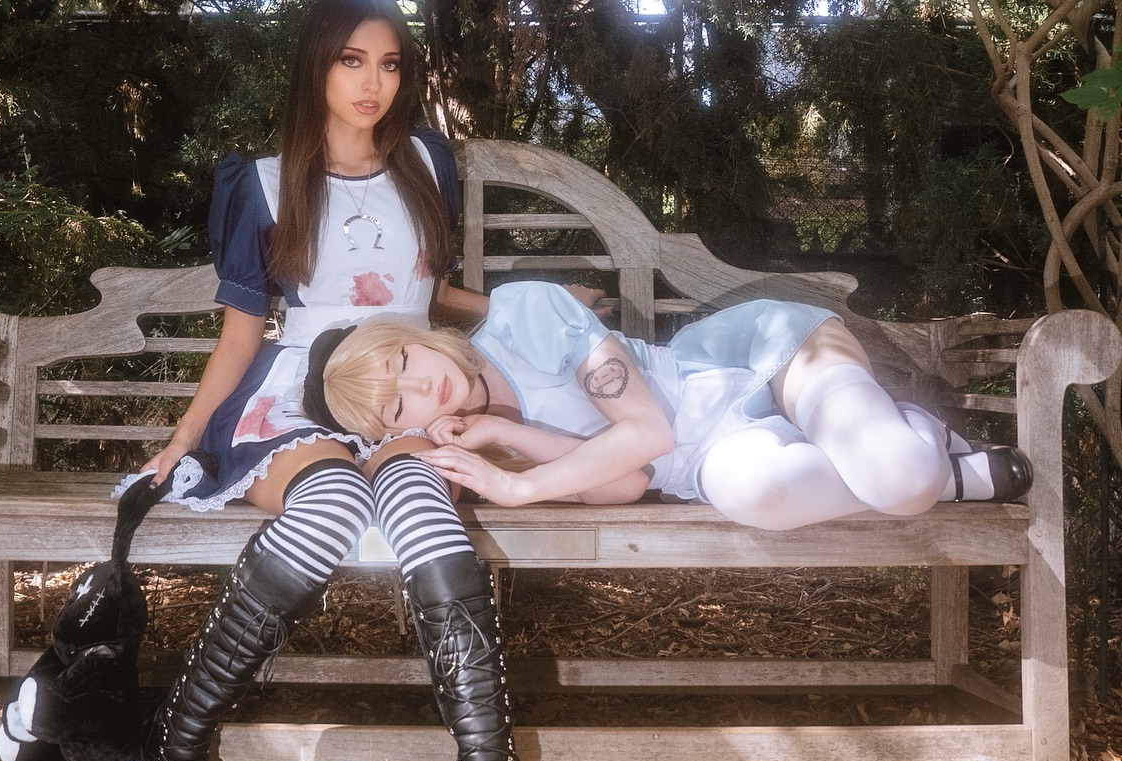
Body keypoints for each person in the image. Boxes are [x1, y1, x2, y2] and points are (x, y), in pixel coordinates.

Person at [122, 0, 532, 761]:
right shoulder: (264, 183)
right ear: (317, 66)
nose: (371, 83)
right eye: (352, 60)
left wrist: (518, 307)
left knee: (417, 490)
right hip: (299, 391)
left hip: (408, 385)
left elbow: (428, 294)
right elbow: (240, 333)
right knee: (333, 499)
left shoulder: (428, 161)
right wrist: (185, 436)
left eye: (388, 63)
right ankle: (175, 748)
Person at [312, 280, 1032, 524]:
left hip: (763, 361)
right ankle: (934, 463)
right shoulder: (486, 436)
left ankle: (920, 448)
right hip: (711, 459)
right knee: (748, 492)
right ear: (401, 431)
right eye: (397, 407)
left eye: (402, 361)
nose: (422, 386)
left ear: (415, 337)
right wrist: (505, 447)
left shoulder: (521, 313)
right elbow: (628, 481)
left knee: (901, 478)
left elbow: (648, 429)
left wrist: (520, 488)